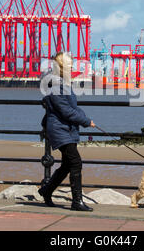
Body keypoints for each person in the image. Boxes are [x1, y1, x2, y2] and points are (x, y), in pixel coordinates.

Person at [39, 52, 95, 212]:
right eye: (69, 64)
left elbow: (72, 108)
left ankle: (46, 190)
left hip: (66, 128)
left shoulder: (62, 83)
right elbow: (66, 111)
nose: (72, 67)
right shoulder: (56, 85)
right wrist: (85, 121)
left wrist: (85, 118)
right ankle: (77, 201)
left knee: (67, 165)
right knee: (76, 162)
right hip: (60, 129)